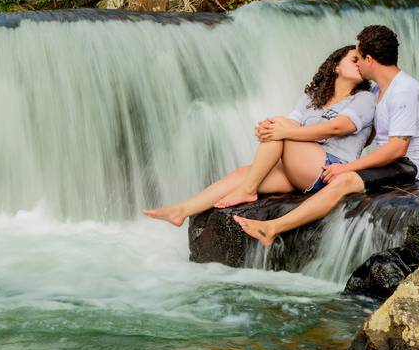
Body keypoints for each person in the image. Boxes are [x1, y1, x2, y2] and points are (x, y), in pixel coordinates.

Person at [234, 24, 419, 247]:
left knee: (344, 180)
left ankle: (272, 228)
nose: (357, 63)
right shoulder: (377, 91)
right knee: (343, 176)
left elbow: (397, 148)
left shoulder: (403, 90)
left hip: (417, 167)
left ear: (370, 60)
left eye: (358, 58)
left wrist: (346, 167)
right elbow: (370, 137)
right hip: (396, 161)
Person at [143, 45, 376, 227]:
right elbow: (291, 124)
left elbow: (337, 128)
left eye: (361, 61)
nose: (359, 64)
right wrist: (268, 128)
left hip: (332, 169)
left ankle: (248, 190)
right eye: (353, 59)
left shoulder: (364, 98)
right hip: (302, 167)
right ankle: (182, 211)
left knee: (281, 126)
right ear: (336, 66)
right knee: (243, 172)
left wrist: (283, 130)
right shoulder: (314, 97)